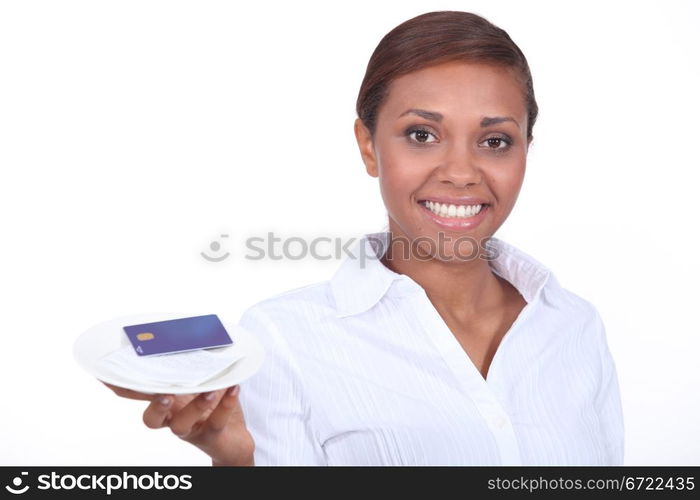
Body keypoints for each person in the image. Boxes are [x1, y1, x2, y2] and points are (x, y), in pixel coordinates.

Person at [106, 10, 624, 466]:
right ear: (369, 145)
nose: (462, 172)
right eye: (422, 134)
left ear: (525, 149)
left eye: (495, 141)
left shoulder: (574, 325)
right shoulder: (284, 339)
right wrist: (243, 467)